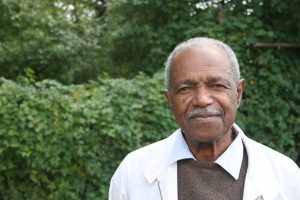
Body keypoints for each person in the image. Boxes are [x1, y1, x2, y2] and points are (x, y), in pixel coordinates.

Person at [109, 37, 300, 200]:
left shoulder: (286, 176)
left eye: (217, 85)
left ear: (238, 93)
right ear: (170, 100)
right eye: (185, 89)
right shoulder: (132, 171)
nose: (202, 99)